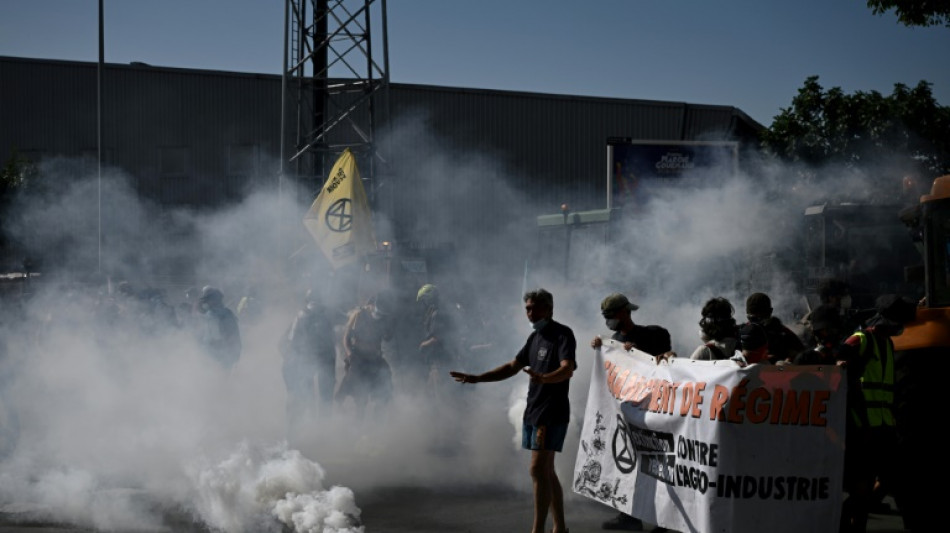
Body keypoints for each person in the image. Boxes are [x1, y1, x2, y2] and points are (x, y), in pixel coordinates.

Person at [449, 288, 575, 533]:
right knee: (547, 470)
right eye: (527, 308)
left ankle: (537, 529)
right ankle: (560, 527)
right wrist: (477, 378)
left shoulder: (562, 335)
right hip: (534, 410)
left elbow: (568, 368)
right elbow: (512, 366)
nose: (529, 313)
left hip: (551, 412)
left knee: (537, 469)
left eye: (534, 308)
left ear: (549, 309)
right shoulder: (534, 338)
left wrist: (545, 378)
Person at [592, 293, 673, 532]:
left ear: (625, 313)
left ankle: (664, 521)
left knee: (658, 467)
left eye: (611, 315)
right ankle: (628, 515)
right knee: (626, 464)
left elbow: (668, 361)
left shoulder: (652, 335)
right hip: (628, 412)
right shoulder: (614, 341)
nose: (609, 320)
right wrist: (603, 349)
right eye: (606, 317)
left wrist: (644, 356)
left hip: (653, 411)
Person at [836, 294, 916, 533]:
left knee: (895, 483)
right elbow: (837, 371)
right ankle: (844, 521)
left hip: (885, 429)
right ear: (885, 320)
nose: (900, 327)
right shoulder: (861, 340)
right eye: (897, 321)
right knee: (863, 488)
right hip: (864, 430)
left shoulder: (888, 344)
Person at [280, 288, 336, 432]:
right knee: (307, 396)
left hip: (320, 359)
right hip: (308, 360)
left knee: (320, 396)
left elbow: (291, 341)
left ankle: (319, 428)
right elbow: (291, 343)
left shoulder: (318, 316)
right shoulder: (303, 317)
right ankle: (308, 429)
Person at [335, 293, 394, 419]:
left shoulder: (384, 318)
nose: (379, 315)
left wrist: (388, 326)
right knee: (358, 390)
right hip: (359, 357)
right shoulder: (359, 315)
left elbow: (388, 337)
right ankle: (344, 408)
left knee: (386, 383)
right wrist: (350, 354)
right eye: (378, 312)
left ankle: (378, 421)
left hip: (375, 358)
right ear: (372, 306)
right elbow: (346, 338)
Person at [744, 292, 805, 364]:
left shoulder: (782, 333)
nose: (758, 325)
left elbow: (802, 356)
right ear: (770, 311)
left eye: (761, 318)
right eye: (755, 319)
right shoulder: (784, 333)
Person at [196, 286, 242, 370]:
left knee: (218, 376)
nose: (206, 302)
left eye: (208, 299)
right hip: (227, 351)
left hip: (218, 353)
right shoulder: (227, 312)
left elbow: (216, 336)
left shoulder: (213, 314)